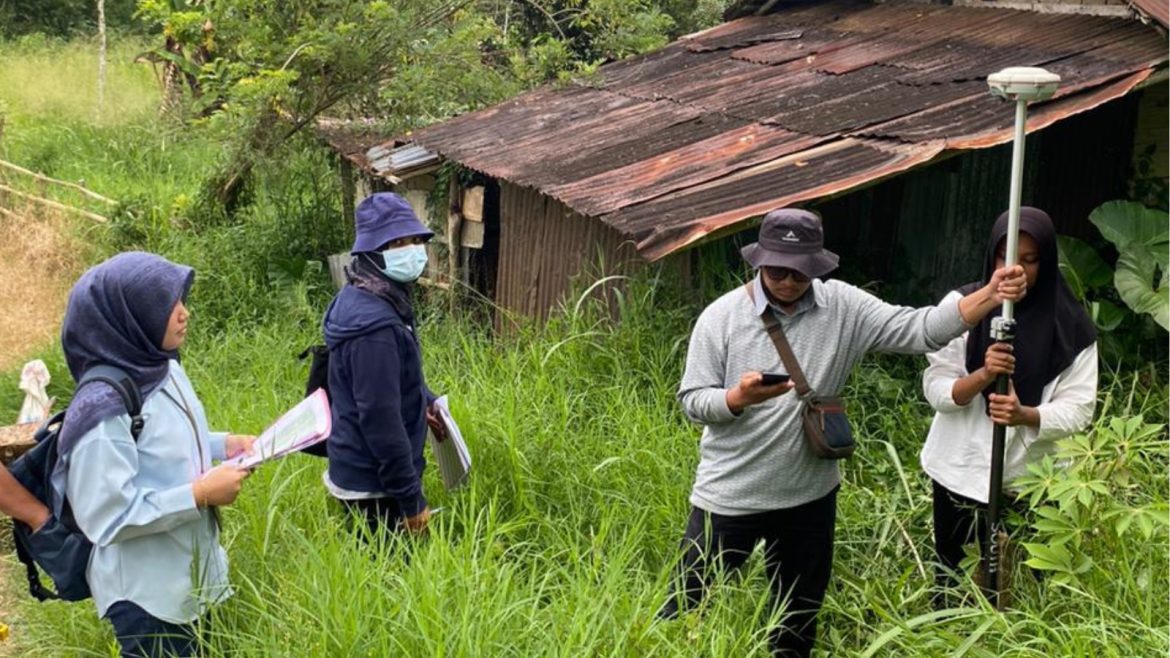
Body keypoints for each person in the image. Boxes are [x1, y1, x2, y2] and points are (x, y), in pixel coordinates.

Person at [660, 208, 1027, 658]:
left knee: (797, 621)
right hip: (731, 496)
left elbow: (921, 329)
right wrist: (736, 399)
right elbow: (692, 400)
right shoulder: (721, 318)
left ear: (818, 266)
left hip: (811, 498)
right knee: (684, 608)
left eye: (801, 272)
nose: (789, 282)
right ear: (758, 262)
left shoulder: (844, 307)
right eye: (777, 271)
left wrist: (989, 295)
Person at [55, 252, 254, 658]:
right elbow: (107, 517)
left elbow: (164, 440)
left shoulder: (161, 367)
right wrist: (198, 495)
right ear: (128, 316)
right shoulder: (102, 409)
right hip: (148, 598)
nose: (184, 313)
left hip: (189, 576)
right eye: (166, 306)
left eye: (181, 300)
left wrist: (224, 444)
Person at [920, 207, 1097, 597]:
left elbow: (1080, 408)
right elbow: (935, 385)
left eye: (1031, 260)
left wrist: (1025, 414)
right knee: (951, 581)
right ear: (992, 257)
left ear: (1046, 261)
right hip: (959, 468)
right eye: (1006, 258)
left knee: (1023, 587)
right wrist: (981, 377)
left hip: (1032, 478)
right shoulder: (963, 306)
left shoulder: (1072, 326)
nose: (1017, 271)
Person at [322, 192, 445, 538]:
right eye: (397, 243)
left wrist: (425, 400)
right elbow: (380, 418)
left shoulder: (366, 292)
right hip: (374, 486)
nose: (412, 250)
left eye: (415, 240)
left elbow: (394, 380)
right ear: (372, 251)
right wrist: (410, 500)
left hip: (364, 470)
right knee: (394, 579)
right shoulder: (374, 328)